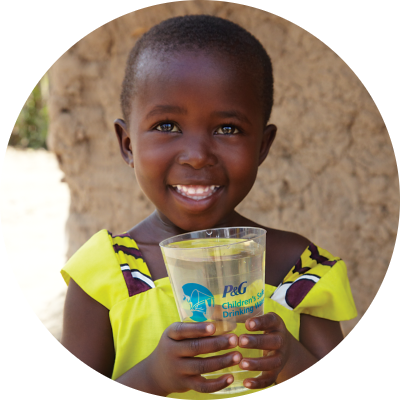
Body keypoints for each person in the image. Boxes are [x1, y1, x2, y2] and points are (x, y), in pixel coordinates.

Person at [60, 14, 357, 400]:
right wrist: (151, 378)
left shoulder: (299, 272)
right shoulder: (103, 277)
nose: (198, 156)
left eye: (227, 129)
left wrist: (290, 361)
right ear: (128, 144)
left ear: (262, 147)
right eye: (167, 125)